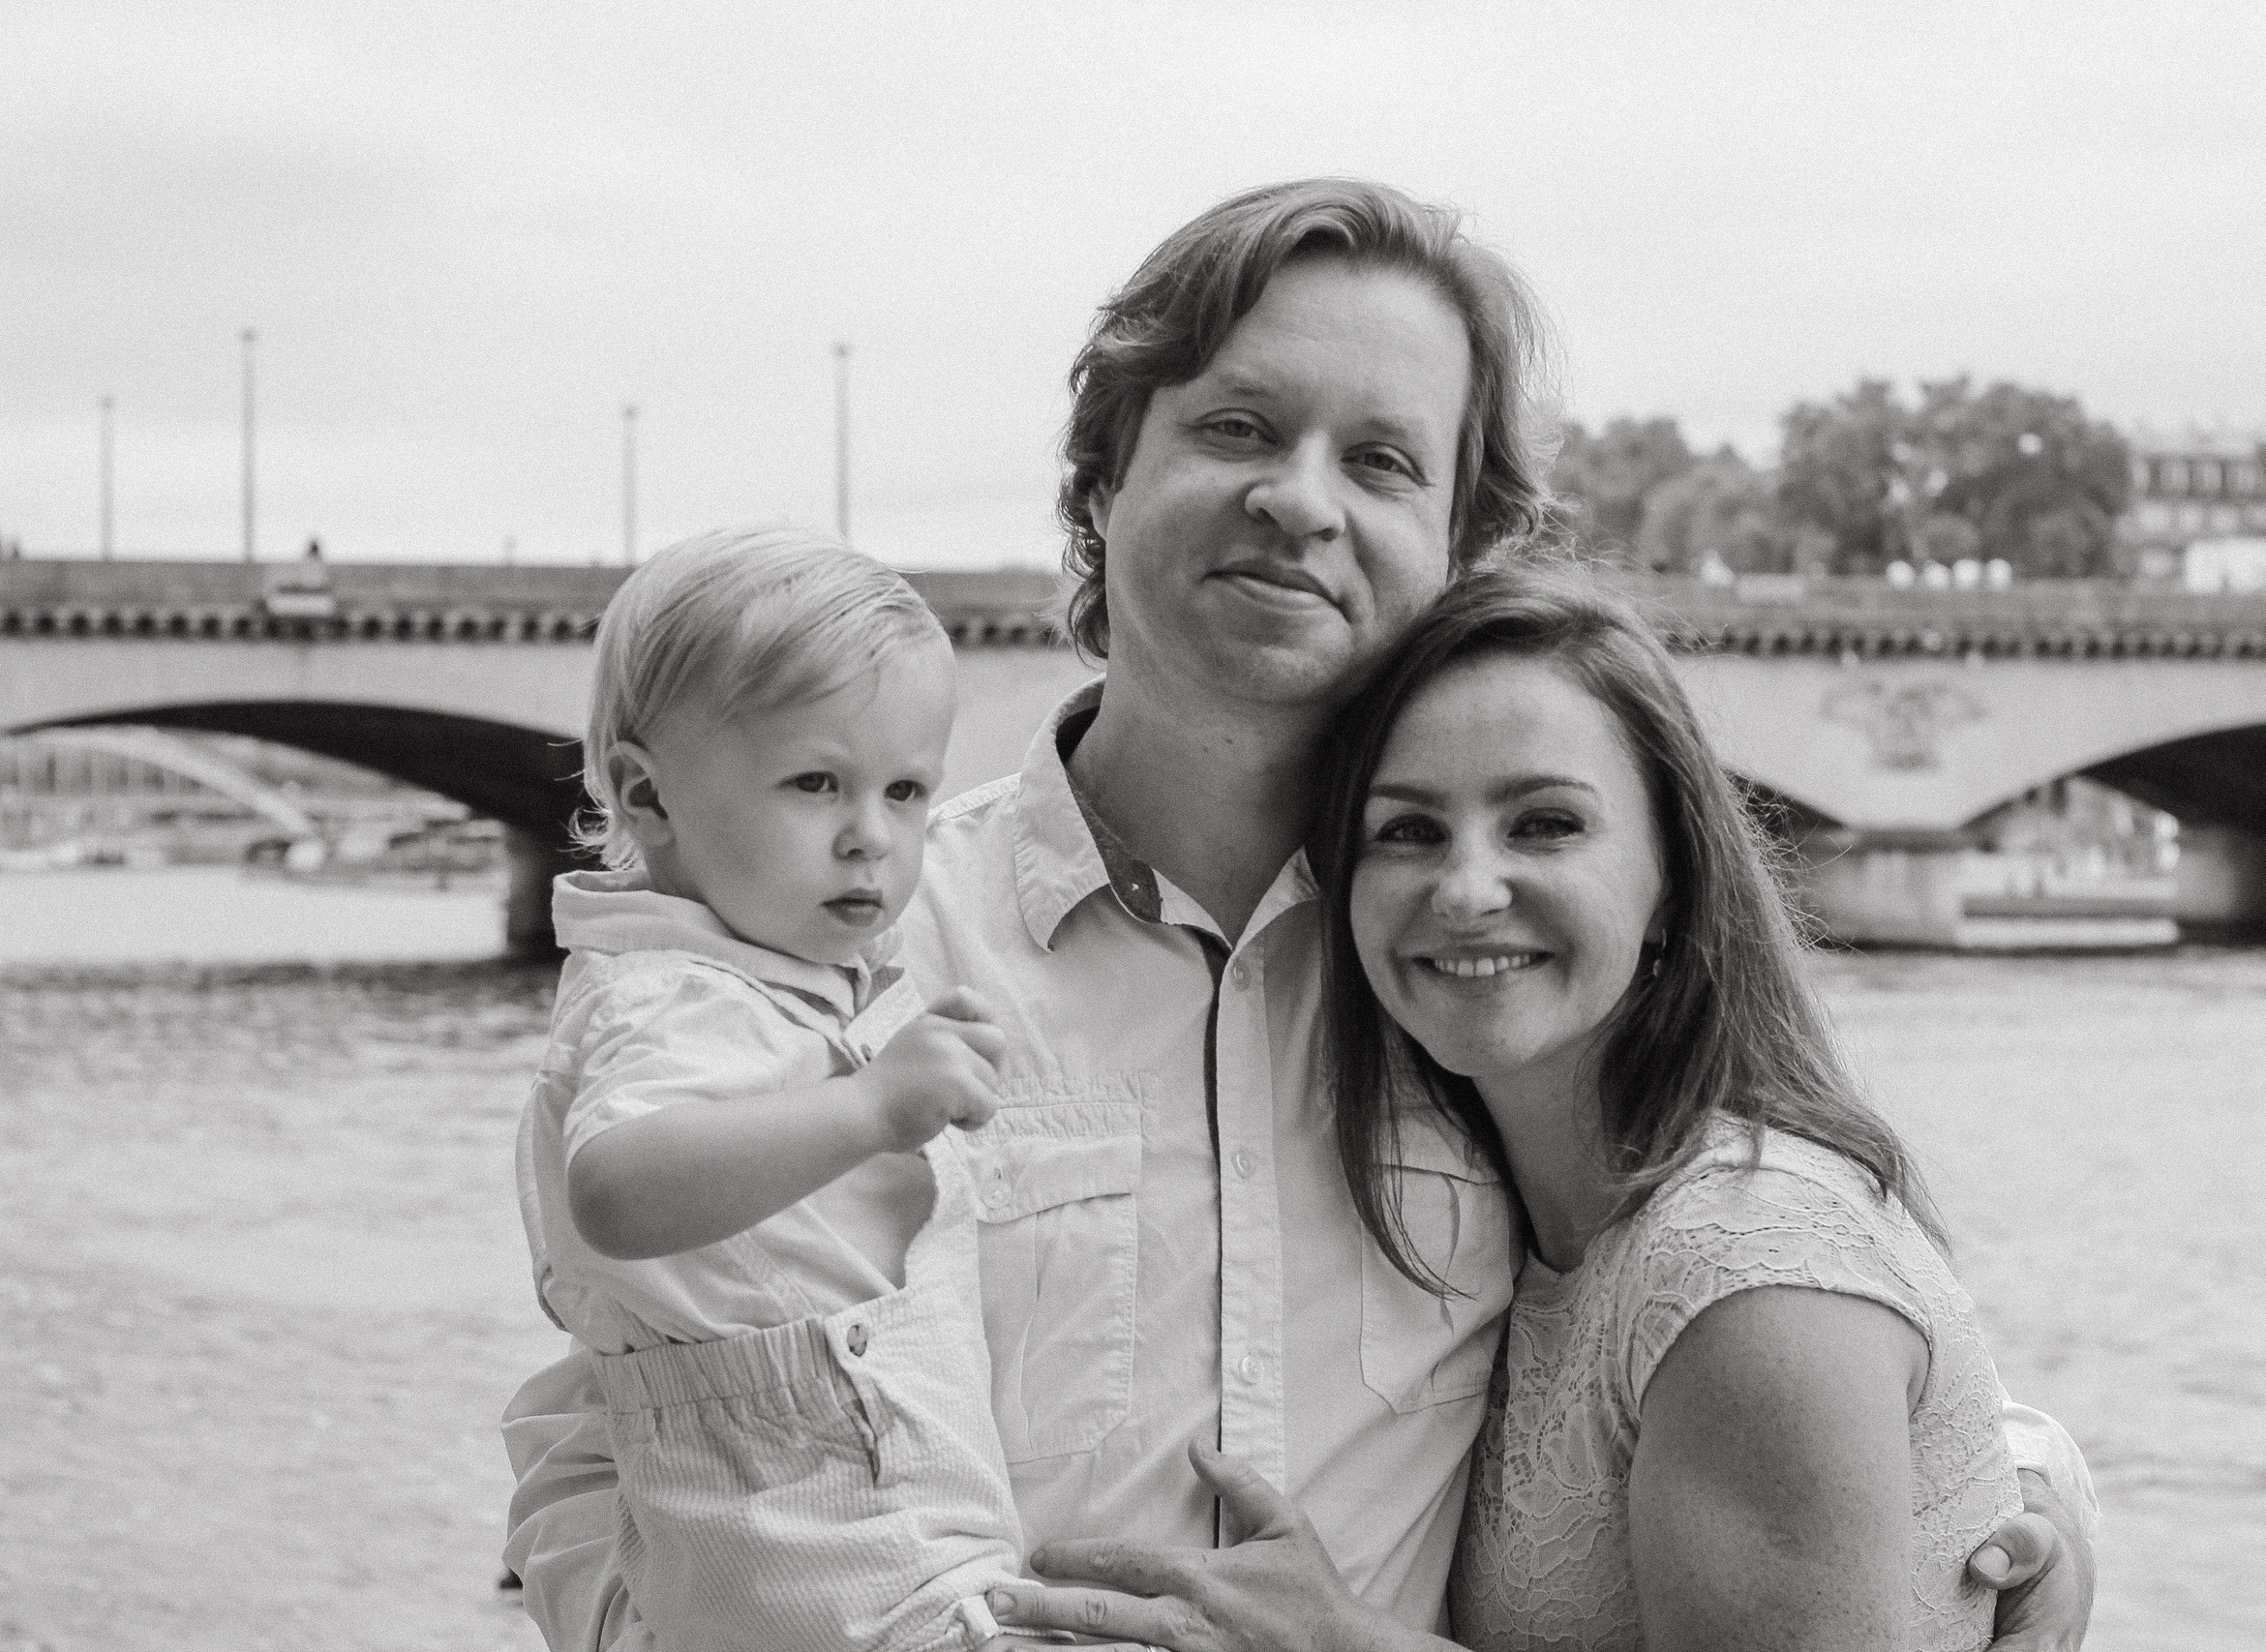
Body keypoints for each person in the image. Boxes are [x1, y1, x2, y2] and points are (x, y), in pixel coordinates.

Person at [501, 179, 2097, 1651]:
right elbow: (617, 1431)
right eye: (1239, 426)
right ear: (1103, 477)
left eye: (1383, 459)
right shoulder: (833, 960)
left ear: (1460, 548)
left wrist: (2016, 1497)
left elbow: (1737, 1270)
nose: (1299, 501)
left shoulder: (1481, 970)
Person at [994, 567, 2039, 1649]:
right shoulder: (1524, 1229)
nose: (1465, 889)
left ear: (1673, 877)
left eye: (1543, 825)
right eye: (1405, 833)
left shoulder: (1747, 1260)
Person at [514, 526, 1041, 1650]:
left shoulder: (772, 985)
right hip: (836, 1572)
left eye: (906, 792)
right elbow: (617, 1185)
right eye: (816, 784)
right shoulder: (669, 997)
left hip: (863, 1551)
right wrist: (871, 1110)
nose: (871, 838)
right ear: (645, 796)